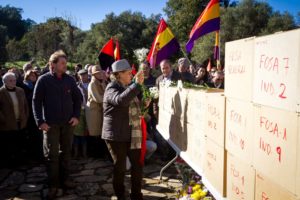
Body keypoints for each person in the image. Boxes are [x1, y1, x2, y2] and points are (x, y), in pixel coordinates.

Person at [32, 50, 82, 199]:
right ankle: (53, 184)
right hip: (50, 124)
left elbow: (78, 99)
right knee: (51, 156)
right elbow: (36, 101)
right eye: (62, 63)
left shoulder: (70, 80)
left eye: (65, 63)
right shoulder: (43, 80)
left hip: (68, 123)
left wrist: (76, 116)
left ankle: (65, 180)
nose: (65, 66)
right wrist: (40, 121)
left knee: (66, 153)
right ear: (52, 64)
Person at [102, 59, 144, 200]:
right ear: (118, 74)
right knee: (120, 168)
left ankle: (136, 195)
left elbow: (132, 108)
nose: (131, 75)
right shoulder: (111, 88)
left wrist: (144, 104)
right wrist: (136, 85)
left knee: (137, 166)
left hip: (131, 133)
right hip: (116, 135)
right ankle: (121, 196)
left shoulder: (127, 86)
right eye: (128, 73)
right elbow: (121, 101)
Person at [0, 72, 29, 167]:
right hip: (7, 124)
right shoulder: (1, 92)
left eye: (14, 80)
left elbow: (25, 105)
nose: (13, 82)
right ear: (4, 82)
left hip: (21, 122)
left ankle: (21, 162)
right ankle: (12, 164)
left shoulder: (20, 90)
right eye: (10, 80)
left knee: (21, 143)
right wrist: (3, 119)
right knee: (10, 145)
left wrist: (26, 116)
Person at [85, 65, 108, 158]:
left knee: (99, 132)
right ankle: (94, 154)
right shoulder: (92, 84)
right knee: (94, 133)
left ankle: (99, 153)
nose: (101, 74)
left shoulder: (101, 82)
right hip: (93, 111)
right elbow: (98, 98)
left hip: (100, 110)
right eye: (98, 73)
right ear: (94, 75)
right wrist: (109, 99)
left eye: (101, 72)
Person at [23, 70, 43, 161]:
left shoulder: (38, 85)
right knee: (32, 136)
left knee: (40, 136)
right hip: (29, 114)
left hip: (39, 113)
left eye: (34, 75)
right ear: (27, 77)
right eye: (31, 76)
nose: (33, 77)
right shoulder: (24, 87)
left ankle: (41, 155)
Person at [73, 69, 89, 159]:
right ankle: (76, 154)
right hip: (80, 111)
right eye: (81, 75)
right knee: (77, 135)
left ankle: (86, 153)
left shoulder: (92, 84)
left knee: (86, 134)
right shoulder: (76, 86)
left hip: (90, 111)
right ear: (79, 76)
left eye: (85, 75)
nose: (83, 76)